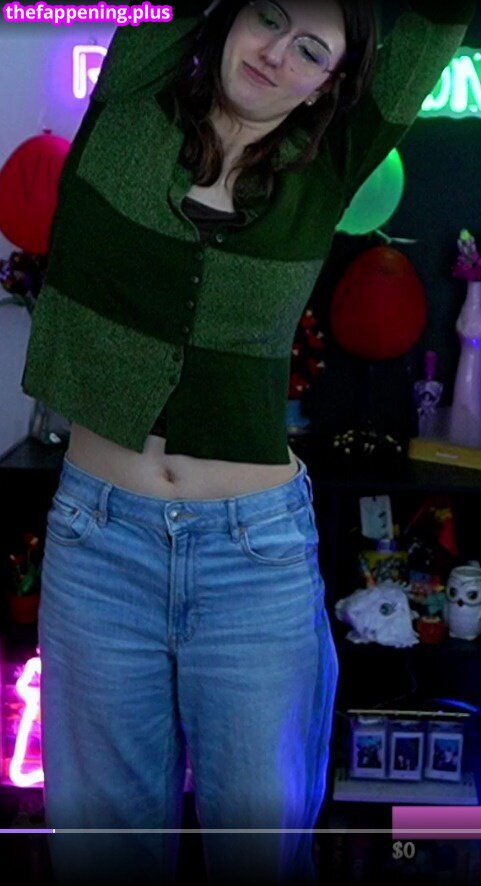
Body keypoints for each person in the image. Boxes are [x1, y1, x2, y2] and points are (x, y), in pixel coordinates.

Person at [20, 1, 474, 884]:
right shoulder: (132, 97)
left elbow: (437, 16)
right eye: (267, 17)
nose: (275, 53)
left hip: (252, 559)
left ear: (328, 85)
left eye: (310, 50)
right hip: (97, 545)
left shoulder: (330, 164)